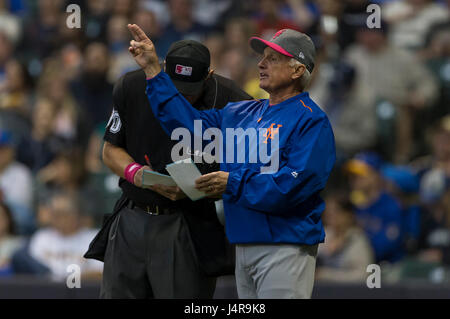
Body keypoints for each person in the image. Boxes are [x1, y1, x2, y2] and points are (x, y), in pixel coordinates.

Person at [128, 25, 336, 298]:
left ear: (298, 70)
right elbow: (189, 127)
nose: (261, 63)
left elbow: (292, 186)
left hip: (286, 244)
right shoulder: (240, 113)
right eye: (262, 57)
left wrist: (232, 182)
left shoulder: (311, 120)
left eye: (273, 58)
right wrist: (154, 72)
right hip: (242, 244)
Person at [85, 38, 252, 299]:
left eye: (189, 91)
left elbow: (245, 172)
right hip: (133, 213)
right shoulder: (132, 85)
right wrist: (137, 175)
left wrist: (204, 188)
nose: (181, 98)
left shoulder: (233, 101)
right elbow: (110, 150)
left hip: (190, 222)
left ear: (209, 75)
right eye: (175, 89)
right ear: (162, 68)